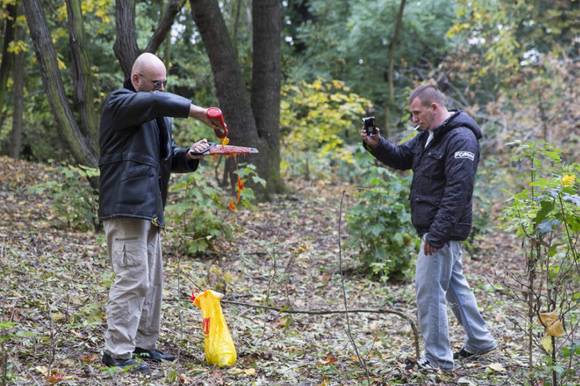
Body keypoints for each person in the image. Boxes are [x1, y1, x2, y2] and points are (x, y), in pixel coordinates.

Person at [98, 52, 223, 371]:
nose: (161, 89)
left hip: (150, 208)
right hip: (126, 207)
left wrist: (191, 155)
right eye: (156, 84)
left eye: (164, 84)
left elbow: (167, 159)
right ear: (136, 79)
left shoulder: (158, 116)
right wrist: (199, 112)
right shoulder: (119, 104)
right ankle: (117, 352)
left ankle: (142, 345)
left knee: (151, 282)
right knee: (132, 278)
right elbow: (155, 103)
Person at [361, 84, 497, 372]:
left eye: (416, 113)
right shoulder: (429, 136)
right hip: (435, 227)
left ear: (434, 107)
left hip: (442, 229)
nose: (413, 119)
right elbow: (401, 157)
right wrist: (376, 144)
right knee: (453, 286)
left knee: (429, 290)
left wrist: (436, 234)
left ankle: (437, 359)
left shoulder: (460, 139)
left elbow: (458, 192)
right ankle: (480, 340)